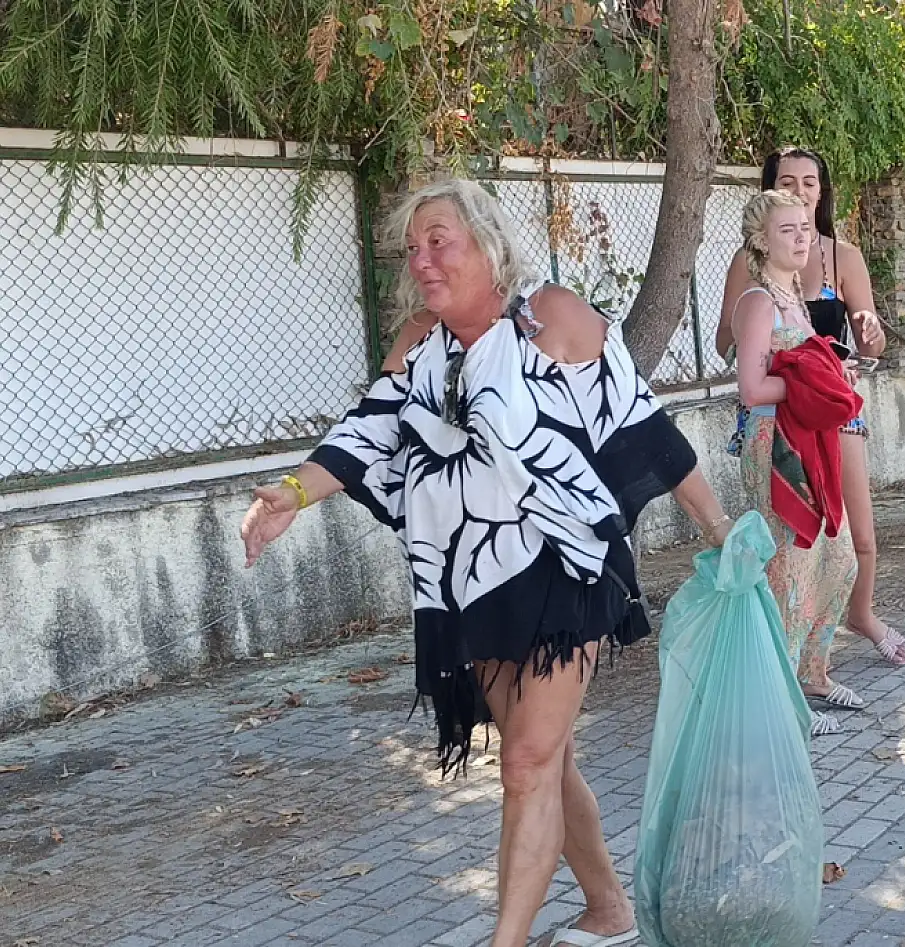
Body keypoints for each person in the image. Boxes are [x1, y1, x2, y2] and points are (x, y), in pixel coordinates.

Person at [239, 179, 732, 947]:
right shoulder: (418, 345)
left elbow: (644, 427)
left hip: (568, 566)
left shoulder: (553, 319)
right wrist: (293, 495)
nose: (424, 260)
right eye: (414, 248)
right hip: (476, 582)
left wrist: (720, 527)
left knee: (528, 761)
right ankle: (610, 909)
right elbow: (366, 432)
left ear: (487, 242)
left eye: (440, 240)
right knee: (546, 763)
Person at [716, 147, 905, 667]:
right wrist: (780, 358)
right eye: (788, 180)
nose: (800, 190)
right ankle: (791, 667)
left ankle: (859, 617)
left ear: (821, 192)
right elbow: (726, 345)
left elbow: (870, 346)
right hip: (780, 415)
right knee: (793, 545)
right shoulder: (751, 267)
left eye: (809, 182)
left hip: (834, 408)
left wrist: (868, 330)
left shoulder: (840, 256)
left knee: (856, 538)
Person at [731, 188, 862, 737]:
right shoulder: (759, 302)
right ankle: (782, 700)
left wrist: (832, 380)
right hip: (777, 448)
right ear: (762, 241)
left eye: (806, 228)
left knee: (840, 560)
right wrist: (810, 384)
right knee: (790, 571)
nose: (803, 237)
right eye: (789, 230)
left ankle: (813, 672)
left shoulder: (796, 301)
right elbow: (750, 389)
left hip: (811, 441)